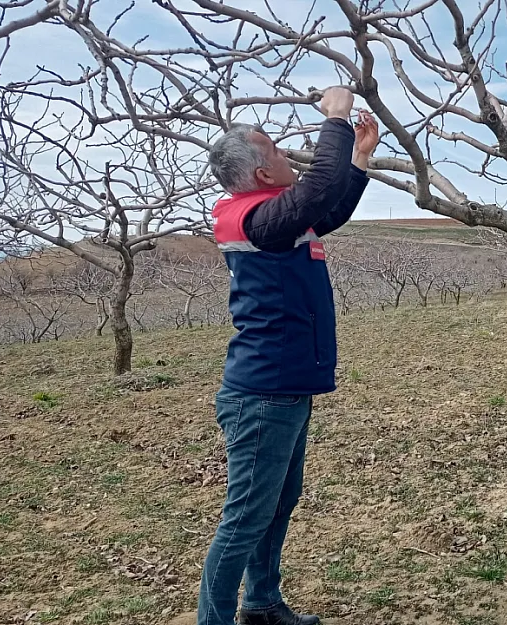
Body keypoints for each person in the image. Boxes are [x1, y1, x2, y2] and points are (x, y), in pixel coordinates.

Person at [198, 87, 379, 625]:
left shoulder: (270, 218)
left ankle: (261, 604)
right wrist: (337, 118)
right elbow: (318, 189)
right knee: (245, 517)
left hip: (284, 386)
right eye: (276, 151)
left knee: (276, 505)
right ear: (261, 174)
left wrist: (359, 160)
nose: (286, 156)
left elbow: (327, 208)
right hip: (263, 393)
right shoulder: (255, 221)